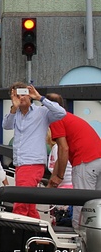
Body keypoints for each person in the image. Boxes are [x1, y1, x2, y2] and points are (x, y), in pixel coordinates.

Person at [2, 83, 66, 218]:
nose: (21, 98)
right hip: (21, 163)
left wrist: (39, 97)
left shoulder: (41, 112)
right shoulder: (16, 113)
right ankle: (36, 234)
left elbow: (61, 112)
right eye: (17, 95)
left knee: (21, 202)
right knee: (29, 205)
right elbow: (6, 125)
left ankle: (18, 232)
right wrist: (14, 107)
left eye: (23, 94)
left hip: (32, 163)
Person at [45, 93, 101, 224]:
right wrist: (54, 178)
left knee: (81, 204)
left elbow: (63, 149)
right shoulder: (70, 118)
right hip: (97, 157)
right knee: (97, 203)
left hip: (85, 161)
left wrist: (59, 176)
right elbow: (61, 154)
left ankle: (79, 237)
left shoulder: (56, 118)